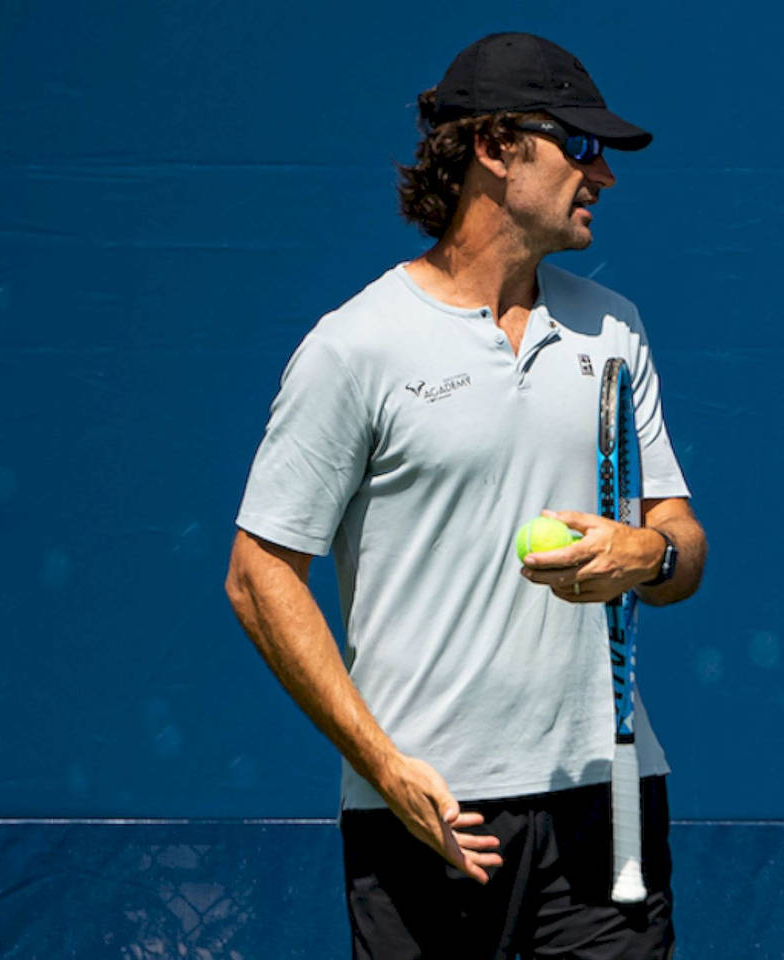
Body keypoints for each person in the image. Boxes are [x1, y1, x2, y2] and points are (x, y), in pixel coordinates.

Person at [224, 32, 705, 959]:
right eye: (582, 146)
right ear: (495, 147)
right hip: (429, 812)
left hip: (608, 798)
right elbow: (259, 576)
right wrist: (385, 770)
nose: (602, 176)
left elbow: (679, 539)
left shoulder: (615, 330)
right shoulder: (355, 347)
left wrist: (652, 555)